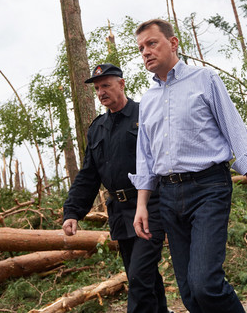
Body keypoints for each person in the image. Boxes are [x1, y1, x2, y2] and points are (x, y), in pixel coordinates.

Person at [129, 19, 247, 313]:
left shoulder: (204, 80)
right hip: (168, 196)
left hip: (209, 188)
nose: (146, 52)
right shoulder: (148, 100)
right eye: (141, 48)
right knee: (190, 293)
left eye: (152, 43)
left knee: (206, 283)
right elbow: (146, 157)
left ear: (173, 42)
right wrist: (142, 205)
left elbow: (235, 131)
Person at [62, 63, 169, 313]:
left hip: (150, 206)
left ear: (122, 84)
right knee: (142, 276)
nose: (101, 92)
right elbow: (89, 174)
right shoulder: (97, 128)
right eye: (97, 88)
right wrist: (72, 212)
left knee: (140, 277)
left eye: (106, 85)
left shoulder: (145, 115)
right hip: (120, 212)